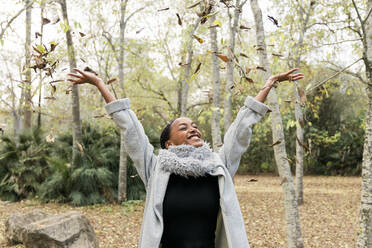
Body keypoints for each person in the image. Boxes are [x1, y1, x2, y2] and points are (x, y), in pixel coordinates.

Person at [68, 68, 304, 248]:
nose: (193, 129)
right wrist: (99, 84)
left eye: (194, 126)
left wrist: (268, 85)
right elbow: (130, 129)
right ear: (169, 144)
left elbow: (240, 130)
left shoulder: (217, 166)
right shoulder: (157, 169)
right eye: (183, 127)